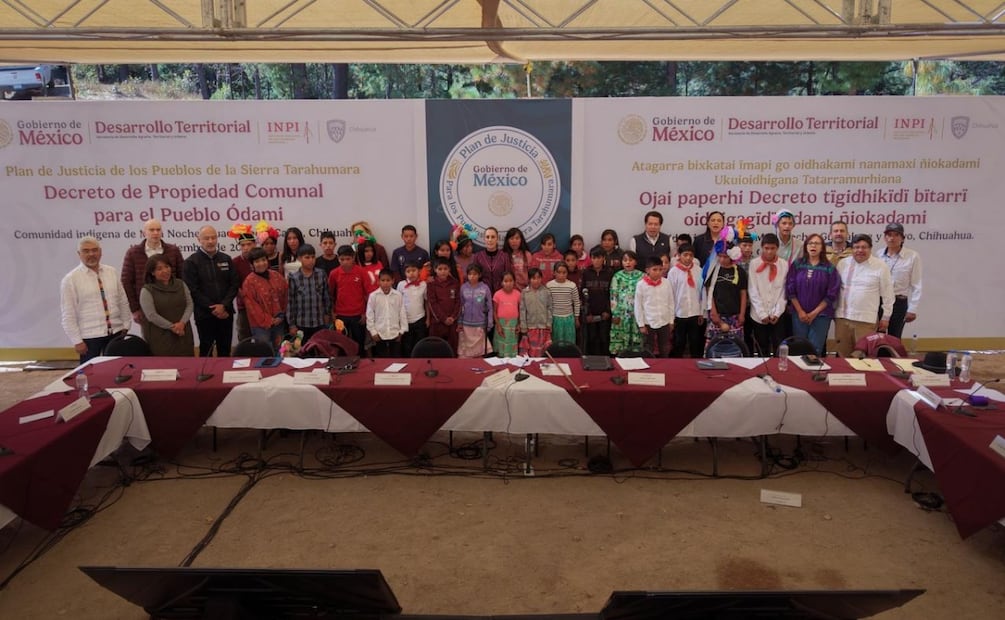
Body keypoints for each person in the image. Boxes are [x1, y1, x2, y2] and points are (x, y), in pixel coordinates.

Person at [60, 236, 131, 363]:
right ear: (79, 254)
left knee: (116, 370)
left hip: (116, 332)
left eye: (94, 250)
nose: (91, 254)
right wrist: (77, 341)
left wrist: (126, 325)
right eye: (86, 251)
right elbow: (68, 314)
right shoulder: (70, 279)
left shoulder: (111, 272)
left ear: (100, 252)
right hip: (89, 337)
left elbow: (122, 301)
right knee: (91, 374)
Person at [120, 218, 184, 339]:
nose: (155, 233)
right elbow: (126, 282)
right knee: (152, 341)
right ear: (144, 232)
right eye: (151, 230)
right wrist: (135, 309)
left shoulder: (173, 251)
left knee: (176, 339)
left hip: (172, 305)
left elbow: (182, 277)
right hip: (146, 308)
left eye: (158, 230)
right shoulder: (133, 253)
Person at [834, 234, 894, 357]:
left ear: (870, 249)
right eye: (856, 247)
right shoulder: (843, 264)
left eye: (864, 247)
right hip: (842, 319)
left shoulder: (881, 266)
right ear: (852, 249)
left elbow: (888, 294)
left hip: (866, 321)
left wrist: (886, 317)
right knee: (842, 356)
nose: (860, 250)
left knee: (863, 357)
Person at [183, 226, 238, 357]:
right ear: (199, 239)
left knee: (225, 350)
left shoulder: (226, 259)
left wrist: (224, 305)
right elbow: (192, 290)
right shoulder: (191, 262)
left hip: (226, 313)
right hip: (204, 315)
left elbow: (234, 285)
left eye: (213, 237)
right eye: (206, 238)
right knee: (206, 350)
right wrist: (213, 308)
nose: (210, 241)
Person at [785, 233, 840, 357]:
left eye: (817, 243)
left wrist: (814, 313)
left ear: (822, 247)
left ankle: (813, 375)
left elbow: (832, 293)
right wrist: (800, 311)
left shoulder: (829, 268)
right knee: (799, 347)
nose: (813, 246)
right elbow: (790, 288)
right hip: (799, 314)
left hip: (821, 316)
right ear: (806, 246)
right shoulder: (797, 265)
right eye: (810, 243)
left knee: (815, 350)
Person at [139, 255, 194, 357]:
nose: (165, 271)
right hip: (160, 334)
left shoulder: (180, 284)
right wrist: (172, 327)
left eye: (167, 267)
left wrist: (182, 323)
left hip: (183, 331)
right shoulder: (147, 290)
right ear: (152, 272)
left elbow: (189, 304)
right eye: (159, 269)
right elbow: (151, 315)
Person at [748, 233, 790, 357]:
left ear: (777, 248)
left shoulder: (784, 264)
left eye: (772, 248)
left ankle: (778, 372)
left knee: (778, 345)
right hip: (758, 315)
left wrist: (777, 312)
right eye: (766, 248)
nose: (769, 251)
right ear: (761, 247)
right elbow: (752, 289)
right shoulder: (754, 263)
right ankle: (763, 371)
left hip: (778, 314)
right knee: (762, 347)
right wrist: (762, 313)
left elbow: (784, 291)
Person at [878, 223, 922, 339]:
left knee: (894, 337)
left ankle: (892, 357)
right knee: (877, 337)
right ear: (884, 237)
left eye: (896, 235)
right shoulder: (878, 255)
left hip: (899, 302)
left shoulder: (912, 256)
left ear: (902, 238)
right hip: (880, 302)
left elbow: (917, 284)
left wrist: (912, 309)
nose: (892, 238)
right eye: (889, 235)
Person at [240, 247, 289, 349]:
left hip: (279, 322)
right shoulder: (249, 282)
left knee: (280, 350)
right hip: (260, 326)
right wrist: (270, 320)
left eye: (263, 260)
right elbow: (252, 307)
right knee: (264, 352)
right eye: (257, 261)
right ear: (251, 264)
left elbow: (286, 295)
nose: (261, 263)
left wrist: (281, 315)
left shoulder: (276, 276)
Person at [704, 244, 748, 347]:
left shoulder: (739, 271)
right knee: (715, 346)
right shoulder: (713, 270)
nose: (722, 259)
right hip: (717, 315)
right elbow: (709, 292)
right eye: (720, 256)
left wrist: (742, 314)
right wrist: (714, 313)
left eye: (725, 257)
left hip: (734, 315)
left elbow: (743, 293)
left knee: (735, 346)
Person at [328, 245, 370, 353]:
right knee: (341, 344)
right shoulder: (334, 274)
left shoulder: (361, 272)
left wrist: (365, 313)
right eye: (342, 259)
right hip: (340, 315)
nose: (345, 262)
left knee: (359, 344)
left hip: (358, 315)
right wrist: (332, 312)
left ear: (353, 257)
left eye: (348, 259)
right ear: (338, 259)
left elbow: (368, 295)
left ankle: (361, 367)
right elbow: (330, 295)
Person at [287, 244, 331, 343]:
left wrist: (327, 314)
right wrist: (292, 324)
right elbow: (291, 302)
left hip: (319, 321)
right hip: (302, 323)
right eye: (307, 257)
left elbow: (326, 296)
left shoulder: (321, 274)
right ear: (299, 258)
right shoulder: (294, 277)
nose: (311, 260)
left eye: (313, 257)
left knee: (320, 349)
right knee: (303, 352)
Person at [667, 243, 705, 359]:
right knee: (679, 342)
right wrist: (671, 316)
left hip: (694, 312)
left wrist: (701, 312)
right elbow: (671, 295)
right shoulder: (673, 272)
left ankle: (696, 365)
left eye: (691, 255)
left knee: (695, 341)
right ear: (679, 256)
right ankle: (678, 365)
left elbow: (702, 292)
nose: (688, 258)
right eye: (685, 255)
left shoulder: (699, 270)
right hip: (680, 313)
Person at [635, 257, 675, 357]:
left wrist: (671, 320)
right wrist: (641, 324)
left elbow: (671, 302)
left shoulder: (666, 283)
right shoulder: (641, 285)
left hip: (664, 320)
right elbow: (638, 306)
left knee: (665, 346)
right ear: (647, 270)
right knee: (649, 347)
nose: (658, 272)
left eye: (660, 269)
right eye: (654, 269)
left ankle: (665, 366)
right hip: (648, 321)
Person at [366, 269, 408, 358]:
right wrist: (373, 332)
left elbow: (402, 313)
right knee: (382, 360)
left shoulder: (398, 295)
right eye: (383, 280)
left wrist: (402, 331)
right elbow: (370, 315)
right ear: (378, 281)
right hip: (380, 333)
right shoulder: (373, 296)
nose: (385, 283)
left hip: (395, 332)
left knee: (396, 358)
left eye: (388, 280)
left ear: (393, 281)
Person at [609, 250, 644, 355]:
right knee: (621, 342)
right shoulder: (617, 276)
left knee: (636, 343)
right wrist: (615, 313)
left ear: (636, 262)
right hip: (621, 314)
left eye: (630, 260)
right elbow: (613, 295)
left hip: (637, 315)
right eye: (625, 260)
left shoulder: (642, 276)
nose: (627, 262)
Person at [228, 223, 257, 342]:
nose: (246, 248)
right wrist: (246, 299)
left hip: (262, 305)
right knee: (245, 335)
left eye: (249, 244)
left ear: (254, 244)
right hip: (244, 306)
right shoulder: (235, 262)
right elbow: (235, 284)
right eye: (243, 245)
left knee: (261, 336)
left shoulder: (260, 260)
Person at [581, 248, 613, 356]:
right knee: (591, 339)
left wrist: (608, 311)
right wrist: (588, 313)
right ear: (591, 259)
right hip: (591, 315)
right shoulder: (586, 273)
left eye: (599, 258)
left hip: (605, 314)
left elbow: (612, 294)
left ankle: (606, 361)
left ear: (603, 258)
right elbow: (583, 293)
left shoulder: (609, 272)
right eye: (594, 258)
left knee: (604, 338)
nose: (596, 261)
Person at [458, 264, 493, 358]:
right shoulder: (463, 288)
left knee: (479, 353)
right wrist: (460, 321)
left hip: (480, 324)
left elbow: (490, 307)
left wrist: (489, 323)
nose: (472, 276)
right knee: (465, 354)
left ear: (480, 275)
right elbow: (460, 306)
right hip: (466, 325)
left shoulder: (485, 288)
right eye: (470, 274)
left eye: (475, 274)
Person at [426, 258, 461, 353]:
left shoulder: (455, 283)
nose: (443, 271)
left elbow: (458, 302)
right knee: (436, 349)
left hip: (452, 322)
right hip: (437, 322)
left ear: (449, 269)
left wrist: (453, 317)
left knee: (452, 348)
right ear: (435, 270)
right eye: (440, 269)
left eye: (445, 269)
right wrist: (443, 318)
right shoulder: (431, 284)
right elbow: (432, 304)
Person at [519, 268, 553, 356]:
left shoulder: (546, 292)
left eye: (538, 278)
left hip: (543, 326)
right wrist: (523, 326)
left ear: (541, 278)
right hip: (530, 327)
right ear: (529, 279)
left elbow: (550, 308)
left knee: (543, 352)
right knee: (532, 351)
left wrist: (549, 323)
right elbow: (522, 310)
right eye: (533, 278)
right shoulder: (524, 293)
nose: (536, 281)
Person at [396, 261, 428, 357]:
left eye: (414, 270)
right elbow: (398, 304)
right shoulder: (401, 285)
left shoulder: (423, 284)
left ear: (419, 271)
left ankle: (420, 364)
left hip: (420, 319)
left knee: (420, 345)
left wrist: (428, 319)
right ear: (405, 273)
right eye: (408, 271)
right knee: (407, 345)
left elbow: (426, 302)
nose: (411, 273)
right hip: (406, 320)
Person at [546, 263, 581, 346]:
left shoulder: (572, 285)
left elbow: (576, 302)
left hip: (568, 318)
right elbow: (547, 304)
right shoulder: (549, 285)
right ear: (554, 273)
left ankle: (569, 358)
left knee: (569, 342)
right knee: (556, 343)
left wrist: (576, 318)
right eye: (559, 272)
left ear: (567, 273)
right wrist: (548, 321)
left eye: (564, 272)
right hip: (555, 318)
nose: (561, 275)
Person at [472, 226, 513, 293]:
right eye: (487, 237)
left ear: (497, 239)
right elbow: (474, 276)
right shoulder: (478, 256)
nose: (490, 240)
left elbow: (508, 276)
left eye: (493, 237)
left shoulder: (504, 256)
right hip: (482, 293)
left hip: (501, 292)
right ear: (484, 239)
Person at [493, 272, 521, 357]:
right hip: (501, 325)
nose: (508, 283)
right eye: (505, 281)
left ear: (514, 282)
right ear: (502, 282)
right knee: (502, 350)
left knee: (512, 350)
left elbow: (520, 310)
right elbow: (494, 311)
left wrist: (518, 324)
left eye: (511, 281)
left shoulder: (518, 294)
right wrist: (498, 325)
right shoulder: (497, 294)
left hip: (513, 325)